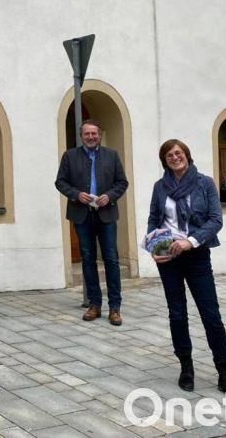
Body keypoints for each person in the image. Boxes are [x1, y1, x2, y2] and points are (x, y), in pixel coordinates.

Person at [146, 139, 226, 399]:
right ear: (164, 160)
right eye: (169, 155)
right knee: (177, 314)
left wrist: (189, 242)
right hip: (169, 258)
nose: (175, 157)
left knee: (211, 314)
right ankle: (186, 367)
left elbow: (215, 220)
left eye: (178, 153)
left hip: (197, 255)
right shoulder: (160, 187)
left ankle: (225, 373)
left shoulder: (205, 183)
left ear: (187, 155)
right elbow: (154, 220)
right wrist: (156, 249)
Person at [55, 119, 129, 325]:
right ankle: (94, 304)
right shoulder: (70, 156)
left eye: (94, 133)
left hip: (106, 214)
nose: (91, 137)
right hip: (82, 214)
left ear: (99, 135)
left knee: (111, 260)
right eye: (87, 134)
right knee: (88, 260)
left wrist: (110, 196)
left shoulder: (112, 155)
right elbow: (60, 182)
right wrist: (76, 194)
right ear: (81, 136)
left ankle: (115, 308)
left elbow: (122, 182)